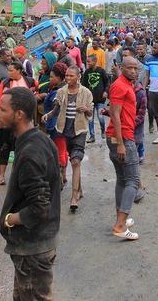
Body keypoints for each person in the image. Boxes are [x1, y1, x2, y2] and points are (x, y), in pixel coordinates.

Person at [0, 87, 62, 301]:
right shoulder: (40, 139)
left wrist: (10, 219)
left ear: (19, 115)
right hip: (37, 245)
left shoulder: (30, 152)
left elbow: (39, 207)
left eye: (3, 109)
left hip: (33, 248)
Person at [45, 66, 93, 211]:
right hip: (65, 130)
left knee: (76, 161)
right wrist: (48, 116)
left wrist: (86, 110)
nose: (68, 78)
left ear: (78, 77)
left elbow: (90, 113)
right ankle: (79, 189)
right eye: (66, 76)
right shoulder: (61, 92)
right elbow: (56, 109)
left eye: (71, 76)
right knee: (72, 158)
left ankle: (73, 197)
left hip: (80, 131)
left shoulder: (86, 93)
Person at [106, 56, 141, 240]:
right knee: (133, 181)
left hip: (121, 136)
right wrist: (120, 143)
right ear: (121, 67)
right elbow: (115, 115)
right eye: (130, 68)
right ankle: (120, 225)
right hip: (123, 137)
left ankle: (120, 219)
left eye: (136, 68)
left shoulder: (126, 83)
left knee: (122, 179)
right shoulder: (120, 85)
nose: (134, 71)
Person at [0, 62, 39, 186]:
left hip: (24, 121)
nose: (9, 73)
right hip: (8, 120)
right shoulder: (5, 83)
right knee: (4, 147)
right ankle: (1, 175)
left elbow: (36, 91)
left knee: (21, 147)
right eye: (8, 71)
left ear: (19, 71)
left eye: (11, 70)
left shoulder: (30, 81)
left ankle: (18, 175)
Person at [81, 54, 109, 143]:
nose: (87, 63)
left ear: (94, 61)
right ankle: (92, 136)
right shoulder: (86, 72)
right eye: (87, 61)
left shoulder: (101, 71)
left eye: (89, 61)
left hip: (100, 99)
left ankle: (103, 131)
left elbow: (107, 83)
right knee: (90, 119)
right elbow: (84, 85)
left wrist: (106, 91)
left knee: (101, 117)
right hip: (89, 101)